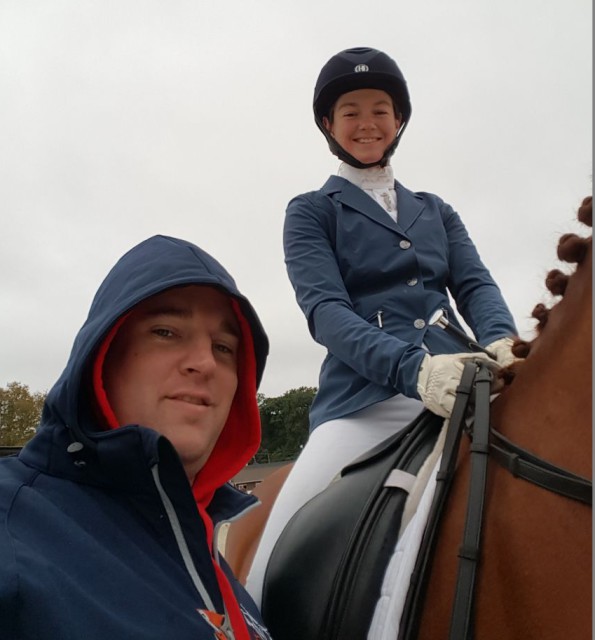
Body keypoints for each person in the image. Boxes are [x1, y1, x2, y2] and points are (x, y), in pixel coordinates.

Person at [246, 46, 518, 607]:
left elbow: (474, 286)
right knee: (274, 547)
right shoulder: (311, 211)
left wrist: (502, 340)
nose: (366, 123)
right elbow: (327, 313)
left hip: (463, 380)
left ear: (398, 122)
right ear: (329, 123)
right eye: (351, 111)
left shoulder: (435, 209)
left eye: (380, 110)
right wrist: (413, 370)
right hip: (364, 401)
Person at [0, 235, 274, 640]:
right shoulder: (12, 527)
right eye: (165, 332)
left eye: (223, 347)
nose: (205, 363)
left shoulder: (223, 580)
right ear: (101, 356)